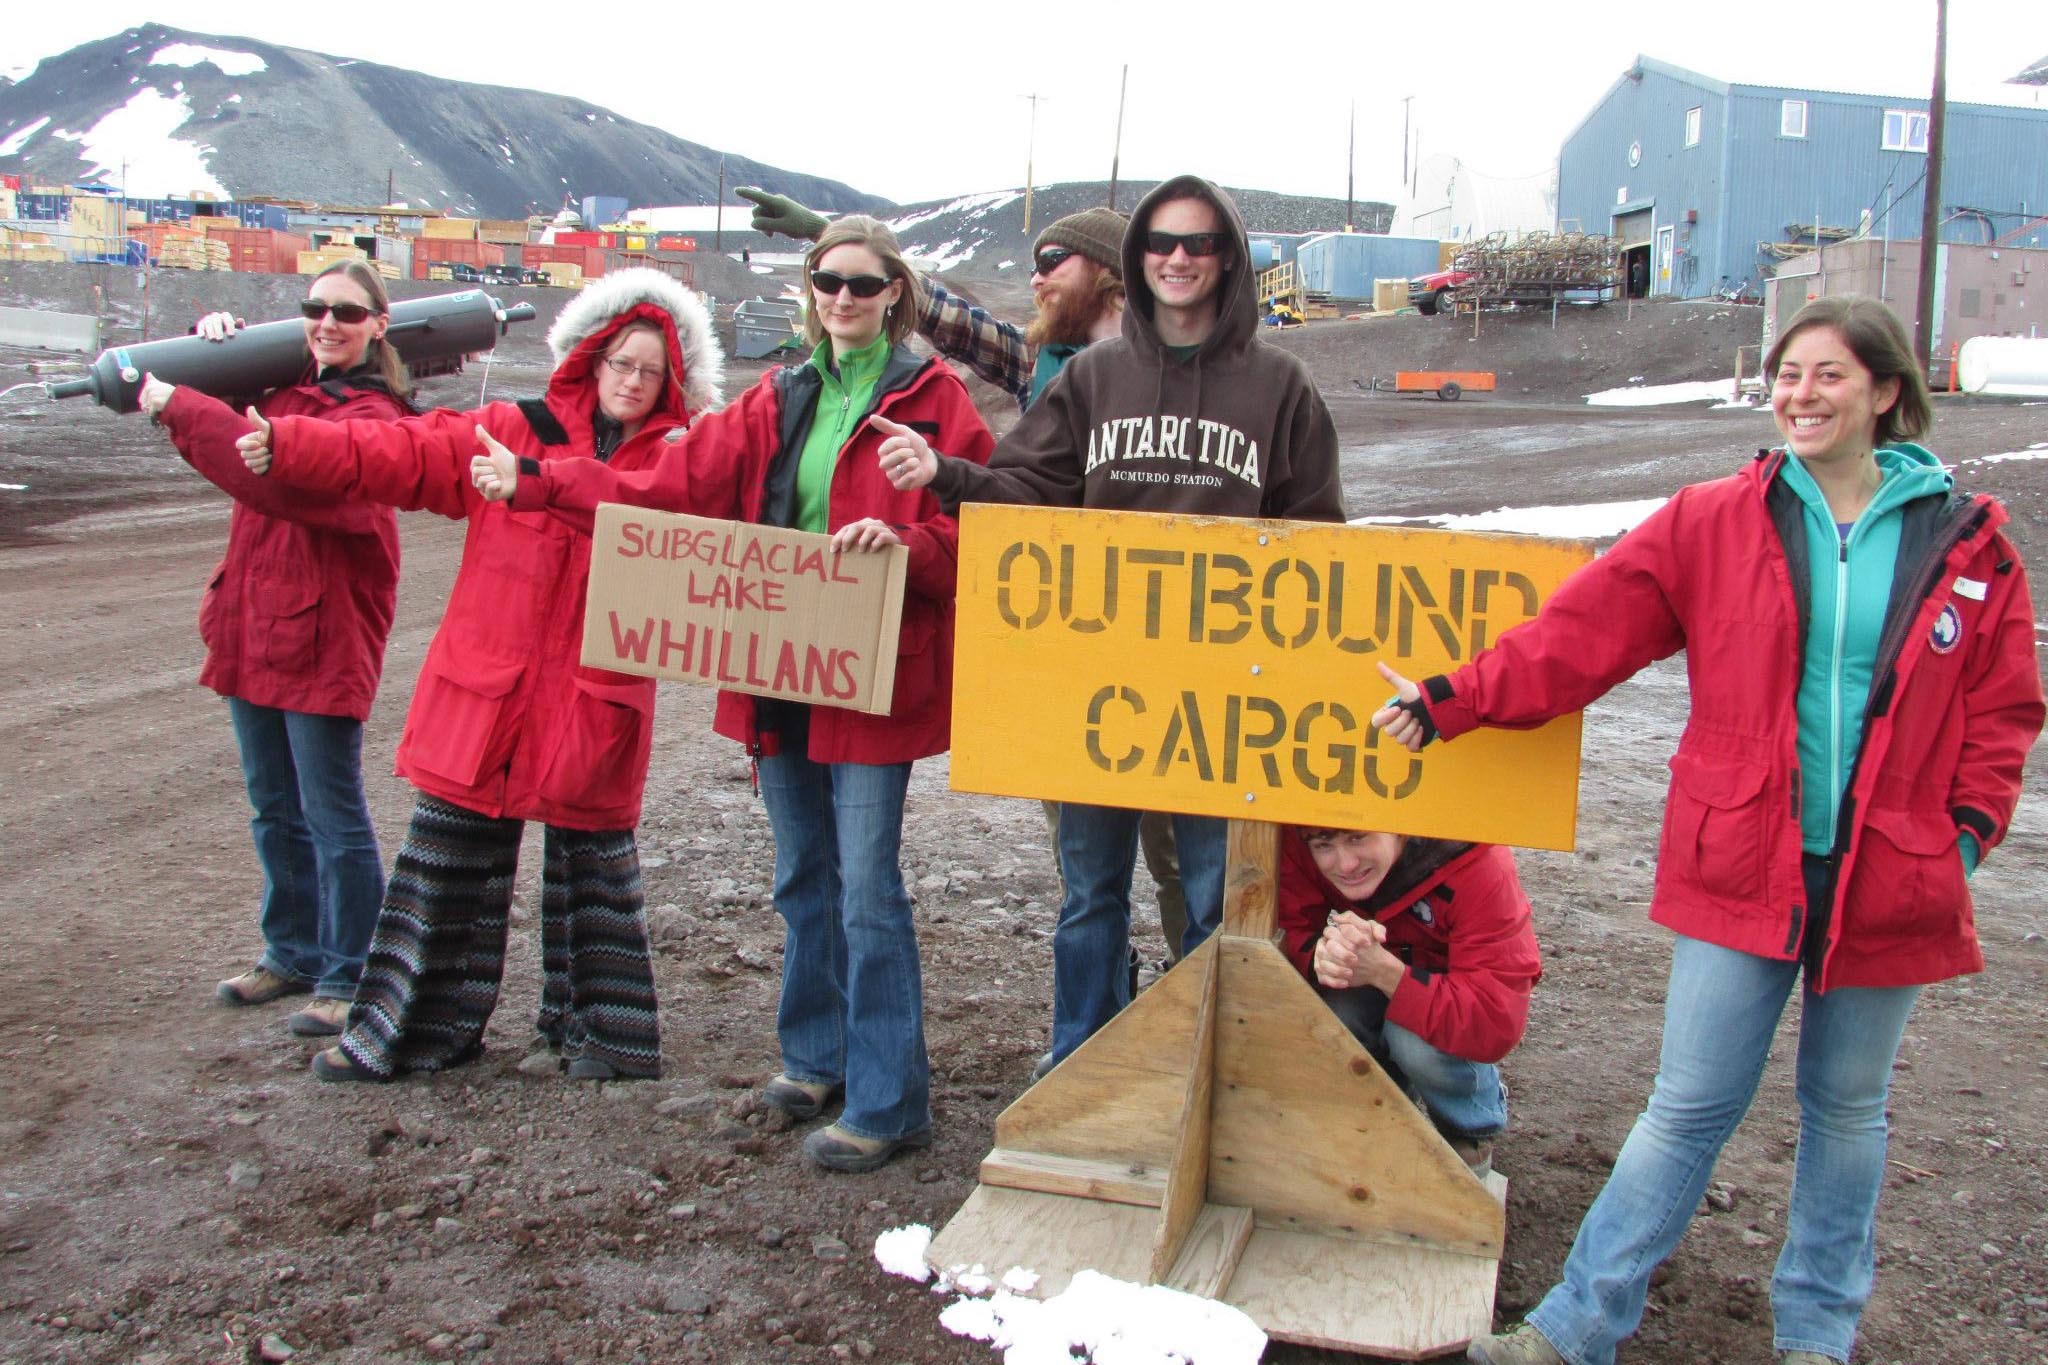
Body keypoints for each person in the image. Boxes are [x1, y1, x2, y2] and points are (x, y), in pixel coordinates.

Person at [1366, 297, 2043, 1365]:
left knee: (1846, 1115)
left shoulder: (1968, 544)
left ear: (1881, 390)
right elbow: (1580, 634)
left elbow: (2000, 710)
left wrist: (1961, 834)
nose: (1796, 394)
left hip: (1891, 872)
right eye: (1784, 375)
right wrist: (1456, 697)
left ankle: (1814, 1338)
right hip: (1741, 858)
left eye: (1824, 375)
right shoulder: (1712, 518)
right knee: (1684, 1108)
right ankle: (1572, 1331)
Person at [471, 217, 994, 1171]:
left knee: (869, 888)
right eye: (829, 281)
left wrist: (912, 547)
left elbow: (987, 528)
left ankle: (889, 1099)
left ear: (894, 296)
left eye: (864, 285)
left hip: (870, 677)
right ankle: (816, 1055)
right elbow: (670, 482)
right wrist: (542, 480)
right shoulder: (777, 396)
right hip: (778, 671)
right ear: (811, 290)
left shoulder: (936, 400)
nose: (844, 298)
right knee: (803, 878)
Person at [878, 173, 1347, 1072]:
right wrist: (944, 473)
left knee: (1214, 893)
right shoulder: (1093, 376)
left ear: (1228, 259)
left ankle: (1214, 1069)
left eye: (1199, 243)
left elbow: (1317, 534)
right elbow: (1028, 488)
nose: (1179, 258)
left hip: (1219, 699)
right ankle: (1079, 1063)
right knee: (1089, 892)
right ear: (1138, 258)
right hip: (1098, 688)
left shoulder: (1281, 384)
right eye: (1162, 242)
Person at [234, 267, 723, 1084]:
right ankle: (415, 1031)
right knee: (445, 863)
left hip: (593, 700)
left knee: (593, 877)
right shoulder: (511, 427)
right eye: (620, 362)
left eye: (651, 369)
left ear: (674, 381)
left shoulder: (679, 463)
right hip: (488, 688)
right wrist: (292, 443)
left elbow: (679, 520)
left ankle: (602, 1038)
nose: (633, 381)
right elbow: (400, 450)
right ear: (590, 359)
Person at [741, 188, 1192, 972]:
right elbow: (944, 315)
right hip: (1067, 648)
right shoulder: (1038, 362)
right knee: (1085, 862)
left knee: (1182, 855)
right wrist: (835, 237)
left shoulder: (1182, 371)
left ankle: (1202, 1004)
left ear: (1111, 275)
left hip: (1165, 649)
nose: (1038, 278)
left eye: (1054, 262)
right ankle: (1105, 1015)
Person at [135, 261, 411, 1038]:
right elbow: (232, 432)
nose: (328, 322)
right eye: (314, 307)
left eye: (347, 312)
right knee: (273, 807)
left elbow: (281, 482)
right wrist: (214, 351)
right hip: (258, 621)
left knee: (331, 812)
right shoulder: (287, 390)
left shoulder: (374, 418)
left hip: (322, 633)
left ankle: (349, 968)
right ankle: (291, 950)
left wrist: (183, 407)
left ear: (378, 325)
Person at [1278, 827, 1540, 1179]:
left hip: (1445, 990)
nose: (1346, 863)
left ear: (1400, 830)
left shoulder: (1478, 861)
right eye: (1325, 846)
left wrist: (1389, 974)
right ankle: (1382, 1113)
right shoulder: (1298, 838)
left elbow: (1494, 1020)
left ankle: (1468, 1124)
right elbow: (1286, 926)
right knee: (1336, 1008)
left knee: (1414, 1042)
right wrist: (1320, 956)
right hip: (1381, 972)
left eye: (1358, 838)